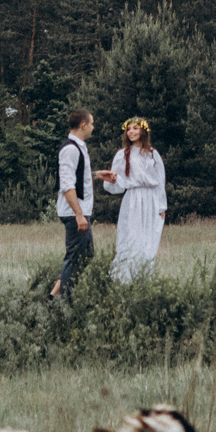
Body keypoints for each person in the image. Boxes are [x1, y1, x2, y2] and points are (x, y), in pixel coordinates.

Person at [100, 117, 166, 283]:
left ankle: (143, 280)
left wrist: (161, 207)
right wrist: (113, 179)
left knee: (148, 242)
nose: (131, 132)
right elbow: (118, 183)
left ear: (143, 131)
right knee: (131, 240)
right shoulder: (122, 155)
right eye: (129, 129)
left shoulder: (152, 154)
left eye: (135, 128)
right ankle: (123, 281)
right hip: (134, 200)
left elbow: (160, 181)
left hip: (151, 201)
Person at [48, 108, 95, 300]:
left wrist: (99, 175)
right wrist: (78, 214)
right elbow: (67, 185)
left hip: (80, 211)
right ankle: (64, 303)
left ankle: (54, 295)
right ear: (83, 125)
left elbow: (79, 177)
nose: (93, 127)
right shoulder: (70, 149)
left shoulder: (79, 147)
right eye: (92, 123)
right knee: (75, 258)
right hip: (74, 213)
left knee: (86, 255)